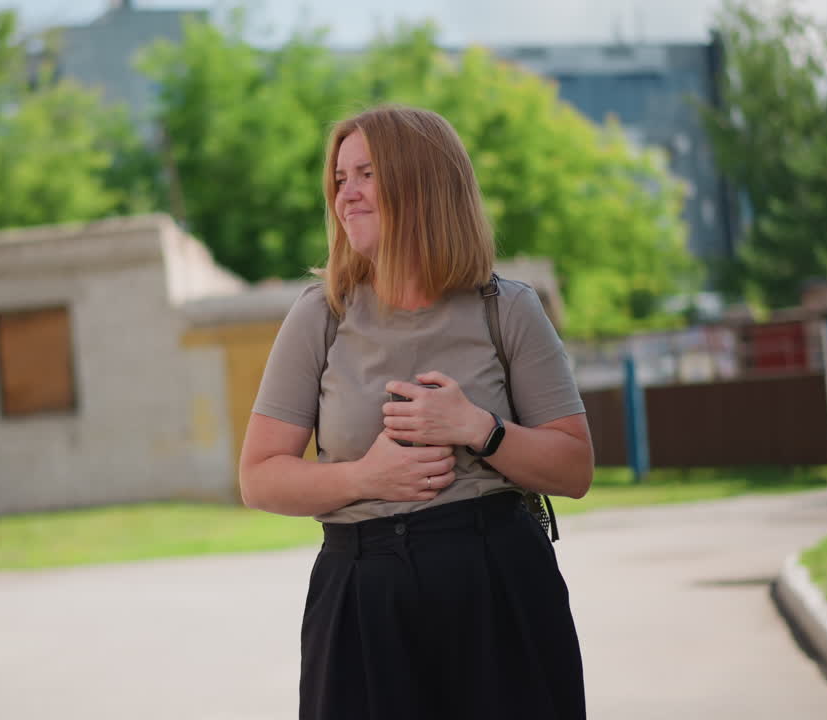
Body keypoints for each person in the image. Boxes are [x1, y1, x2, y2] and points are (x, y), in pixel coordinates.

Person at [239, 105, 594, 720]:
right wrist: (363, 479)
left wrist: (478, 429)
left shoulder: (506, 308)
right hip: (361, 596)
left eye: (366, 174)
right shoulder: (319, 317)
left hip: (499, 586)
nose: (345, 194)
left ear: (422, 181)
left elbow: (574, 470)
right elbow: (259, 476)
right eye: (340, 179)